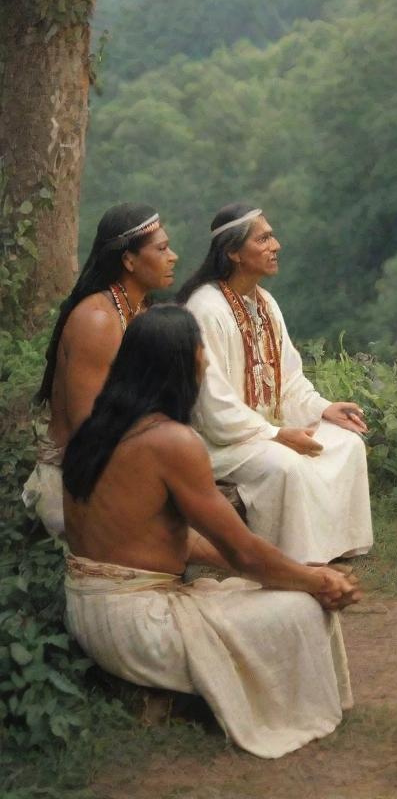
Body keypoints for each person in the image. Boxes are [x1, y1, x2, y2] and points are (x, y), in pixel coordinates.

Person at [63, 305, 362, 758]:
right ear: (182, 362)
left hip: (87, 615)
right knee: (302, 607)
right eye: (201, 347)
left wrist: (294, 569)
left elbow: (181, 541)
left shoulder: (97, 431)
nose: (206, 359)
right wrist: (317, 582)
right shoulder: (171, 441)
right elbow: (243, 554)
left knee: (265, 588)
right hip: (136, 627)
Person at [178, 204, 372, 564]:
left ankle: (337, 546)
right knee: (288, 464)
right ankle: (298, 559)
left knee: (347, 443)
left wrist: (323, 409)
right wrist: (275, 435)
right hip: (221, 441)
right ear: (234, 253)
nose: (276, 245)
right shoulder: (205, 309)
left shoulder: (266, 303)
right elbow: (212, 406)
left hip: (268, 430)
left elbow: (290, 379)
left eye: (272, 236)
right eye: (264, 238)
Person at [25, 204, 177, 536]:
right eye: (162, 248)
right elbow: (90, 434)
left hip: (133, 455)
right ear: (129, 260)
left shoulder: (142, 311)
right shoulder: (97, 320)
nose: (173, 256)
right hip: (81, 477)